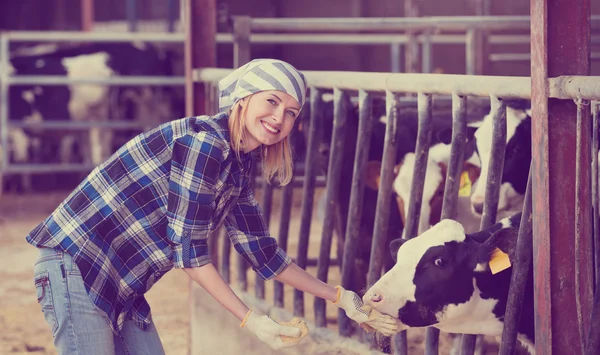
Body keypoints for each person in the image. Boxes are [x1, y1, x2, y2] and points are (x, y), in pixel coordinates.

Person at [26, 58, 398, 355]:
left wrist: (341, 297)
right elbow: (188, 251)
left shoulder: (238, 163)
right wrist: (250, 318)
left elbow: (264, 254)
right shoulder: (206, 144)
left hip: (122, 282)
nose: (279, 118)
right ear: (244, 99)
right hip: (76, 265)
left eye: (291, 112)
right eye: (272, 101)